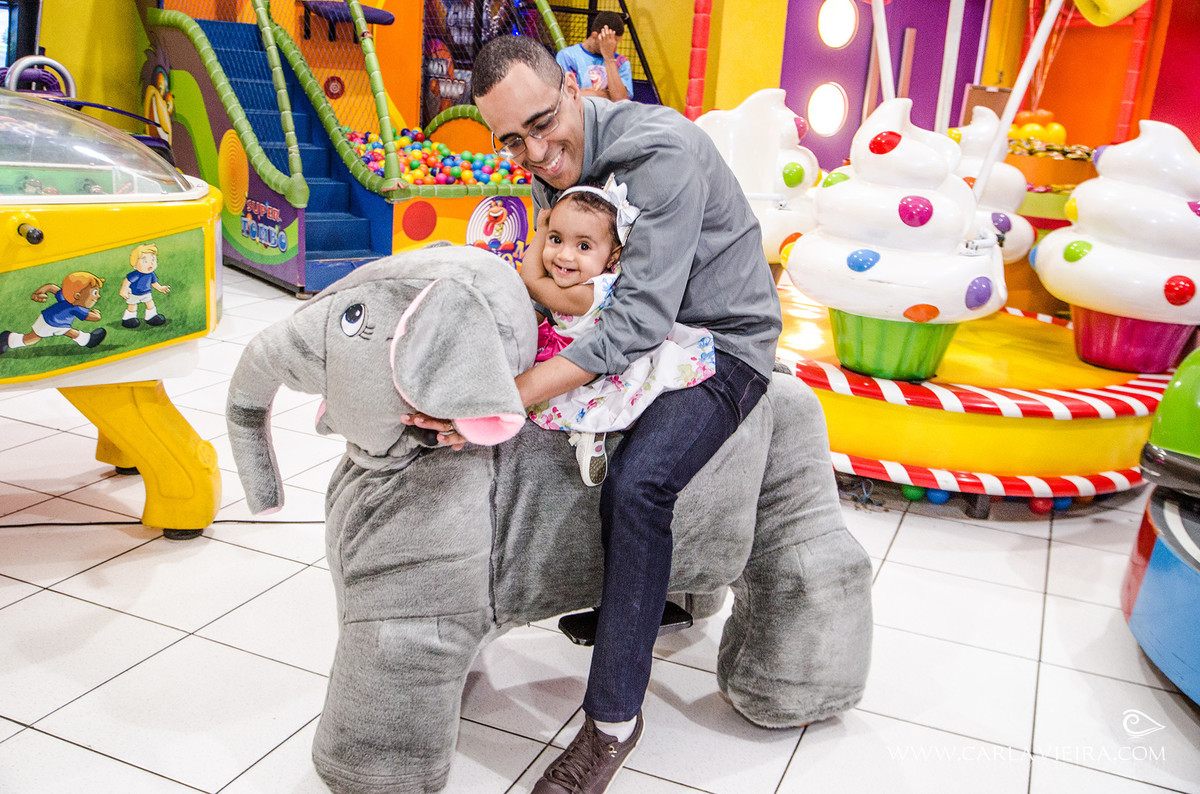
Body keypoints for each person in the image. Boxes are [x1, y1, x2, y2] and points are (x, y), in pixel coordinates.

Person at [406, 34, 782, 793]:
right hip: (640, 334)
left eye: (545, 123)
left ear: (574, 90)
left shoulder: (660, 155)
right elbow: (562, 286)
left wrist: (509, 392)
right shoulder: (559, 170)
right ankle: (638, 603)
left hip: (720, 344)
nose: (538, 153)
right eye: (513, 141)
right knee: (542, 441)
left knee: (637, 483)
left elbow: (637, 323)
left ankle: (612, 724)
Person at [524, 175, 716, 486]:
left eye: (583, 246)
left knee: (565, 395)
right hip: (583, 352)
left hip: (598, 363)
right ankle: (591, 425)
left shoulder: (587, 292)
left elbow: (531, 281)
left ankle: (589, 432)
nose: (564, 255)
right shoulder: (583, 279)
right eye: (557, 239)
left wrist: (542, 229)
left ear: (612, 256)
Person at [0, 272, 107, 353]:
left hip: (54, 321)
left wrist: (40, 292)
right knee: (32, 338)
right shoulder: (76, 307)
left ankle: (88, 340)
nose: (98, 296)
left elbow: (51, 287)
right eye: (94, 292)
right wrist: (96, 314)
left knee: (68, 331)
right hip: (50, 323)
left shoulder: (67, 298)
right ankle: (8, 339)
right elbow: (91, 317)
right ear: (78, 296)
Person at [554, 11, 633, 102]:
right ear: (595, 35)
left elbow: (620, 99)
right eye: (609, 40)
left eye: (616, 43)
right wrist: (607, 94)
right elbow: (566, 96)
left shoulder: (621, 62)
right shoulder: (567, 56)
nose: (614, 47)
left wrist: (609, 57)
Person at [120, 242, 171, 328]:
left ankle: (151, 317)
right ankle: (129, 319)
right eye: (145, 261)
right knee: (132, 306)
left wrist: (160, 288)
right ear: (135, 265)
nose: (150, 263)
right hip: (134, 293)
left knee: (150, 303)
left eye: (153, 259)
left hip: (146, 293)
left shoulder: (151, 274)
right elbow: (127, 281)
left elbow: (154, 283)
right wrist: (124, 289)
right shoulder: (136, 274)